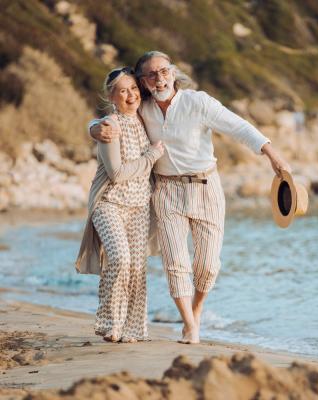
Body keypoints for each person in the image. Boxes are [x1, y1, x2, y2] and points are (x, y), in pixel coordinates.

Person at [90, 51, 291, 344]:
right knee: (176, 264)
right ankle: (189, 325)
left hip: (207, 187)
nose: (159, 78)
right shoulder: (142, 106)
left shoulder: (199, 102)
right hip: (166, 191)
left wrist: (273, 155)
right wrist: (94, 128)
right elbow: (111, 117)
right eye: (151, 75)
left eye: (164, 71)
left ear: (173, 72)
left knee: (208, 265)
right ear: (144, 82)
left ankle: (196, 310)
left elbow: (239, 127)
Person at [77, 67, 164, 343]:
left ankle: (133, 328)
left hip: (139, 205)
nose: (131, 95)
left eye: (134, 89)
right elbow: (117, 173)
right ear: (111, 96)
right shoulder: (109, 126)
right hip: (109, 203)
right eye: (123, 90)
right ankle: (109, 321)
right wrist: (151, 155)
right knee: (119, 258)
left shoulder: (144, 118)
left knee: (138, 268)